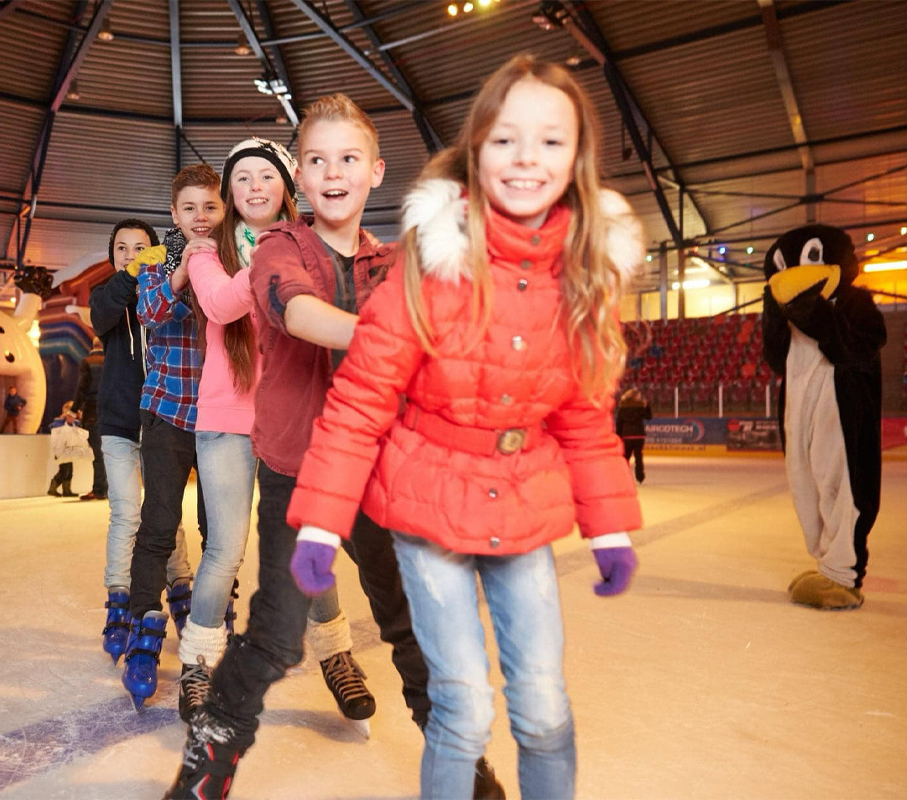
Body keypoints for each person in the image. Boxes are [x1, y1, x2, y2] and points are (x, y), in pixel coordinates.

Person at [280, 57, 648, 800]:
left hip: (523, 508)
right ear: (476, 149)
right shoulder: (427, 262)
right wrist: (320, 524)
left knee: (543, 711)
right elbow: (362, 398)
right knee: (464, 708)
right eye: (506, 139)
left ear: (578, 158)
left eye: (550, 141)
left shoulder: (583, 275)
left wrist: (609, 527)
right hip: (425, 507)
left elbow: (582, 414)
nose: (526, 160)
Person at [165, 95, 503, 799]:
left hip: (380, 478)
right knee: (273, 636)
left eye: (348, 158)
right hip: (300, 478)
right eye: (317, 160)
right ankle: (205, 772)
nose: (333, 172)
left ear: (375, 171)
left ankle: (466, 775)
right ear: (303, 178)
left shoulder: (392, 260)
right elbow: (296, 309)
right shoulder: (278, 250)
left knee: (413, 631)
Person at [177, 137, 378, 729]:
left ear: (285, 187)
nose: (255, 187)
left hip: (292, 416)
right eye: (242, 180)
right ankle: (197, 665)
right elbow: (217, 306)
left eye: (266, 176)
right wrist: (275, 260)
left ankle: (336, 655)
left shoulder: (309, 247)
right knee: (225, 550)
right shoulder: (206, 253)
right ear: (230, 195)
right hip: (227, 422)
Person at [121, 165, 224, 709]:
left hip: (222, 419)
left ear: (223, 210)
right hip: (166, 412)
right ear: (174, 214)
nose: (201, 217)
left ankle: (214, 624)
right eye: (190, 208)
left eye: (210, 207)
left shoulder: (235, 260)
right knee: (159, 523)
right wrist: (185, 269)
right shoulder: (156, 263)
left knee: (218, 529)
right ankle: (142, 625)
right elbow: (151, 314)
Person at [89, 219, 193, 665]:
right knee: (127, 511)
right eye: (121, 248)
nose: (130, 254)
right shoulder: (107, 294)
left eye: (140, 248)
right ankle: (118, 598)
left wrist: (168, 267)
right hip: (118, 424)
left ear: (154, 251)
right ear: (111, 254)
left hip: (163, 423)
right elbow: (103, 314)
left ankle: (182, 588)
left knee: (164, 513)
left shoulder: (167, 296)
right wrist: (128, 277)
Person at [73, 337, 108, 500]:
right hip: (111, 411)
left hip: (92, 411)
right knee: (111, 452)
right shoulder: (110, 361)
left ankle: (99, 489)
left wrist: (73, 411)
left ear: (92, 345)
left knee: (97, 453)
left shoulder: (88, 362)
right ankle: (109, 489)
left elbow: (82, 388)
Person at [615, 387, 652, 483]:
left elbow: (619, 423)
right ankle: (640, 476)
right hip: (639, 436)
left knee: (626, 457)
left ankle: (623, 476)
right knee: (638, 457)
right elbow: (649, 417)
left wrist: (618, 436)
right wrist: (647, 405)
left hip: (627, 436)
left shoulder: (622, 408)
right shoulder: (639, 408)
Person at [47, 401, 79, 498]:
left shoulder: (74, 423)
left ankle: (67, 490)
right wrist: (62, 420)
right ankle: (53, 487)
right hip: (61, 450)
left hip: (69, 449)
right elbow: (53, 428)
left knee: (69, 470)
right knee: (64, 470)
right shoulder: (59, 422)